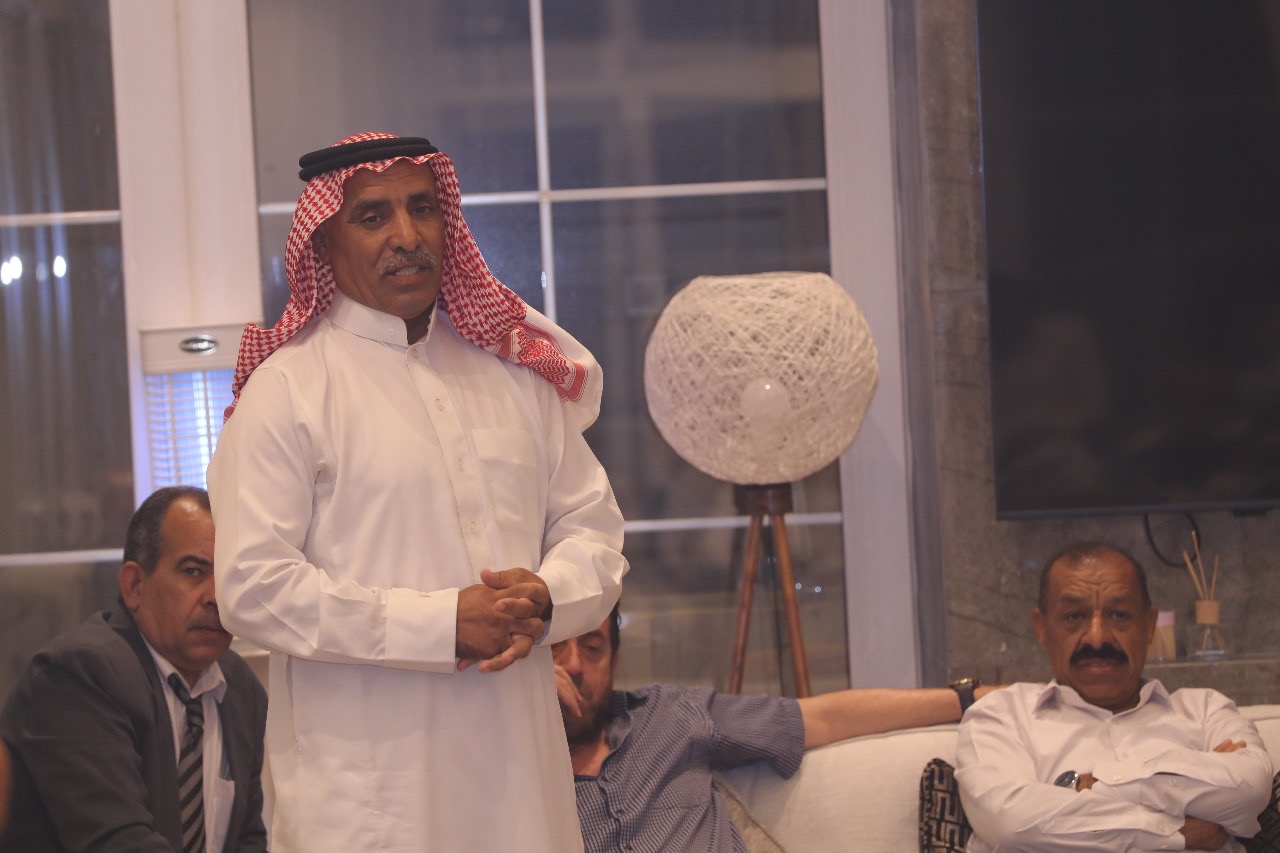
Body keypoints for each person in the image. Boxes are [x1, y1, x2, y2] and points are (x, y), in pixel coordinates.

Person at [206, 131, 626, 852]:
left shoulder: (510, 375)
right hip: (374, 803)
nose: (406, 236)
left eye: (422, 208)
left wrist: (548, 597)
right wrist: (441, 624)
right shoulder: (289, 390)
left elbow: (593, 527)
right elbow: (252, 587)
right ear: (325, 242)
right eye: (373, 216)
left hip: (521, 786)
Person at [553, 604, 998, 852]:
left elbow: (824, 717)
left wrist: (970, 698)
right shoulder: (519, 782)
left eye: (592, 648)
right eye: (554, 650)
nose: (573, 666)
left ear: (614, 660)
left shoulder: (672, 716)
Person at [956, 542, 1274, 852]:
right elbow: (1014, 826)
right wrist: (1182, 831)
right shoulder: (1001, 716)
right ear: (1041, 627)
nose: (1098, 637)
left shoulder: (1205, 711)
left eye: (1120, 615)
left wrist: (1089, 785)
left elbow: (1250, 791)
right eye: (1074, 617)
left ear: (1149, 626)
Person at [0, 486, 268, 852]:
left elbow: (248, 837)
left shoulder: (240, 687)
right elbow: (118, 842)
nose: (216, 596)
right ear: (134, 585)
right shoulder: (79, 674)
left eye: (229, 577)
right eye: (194, 571)